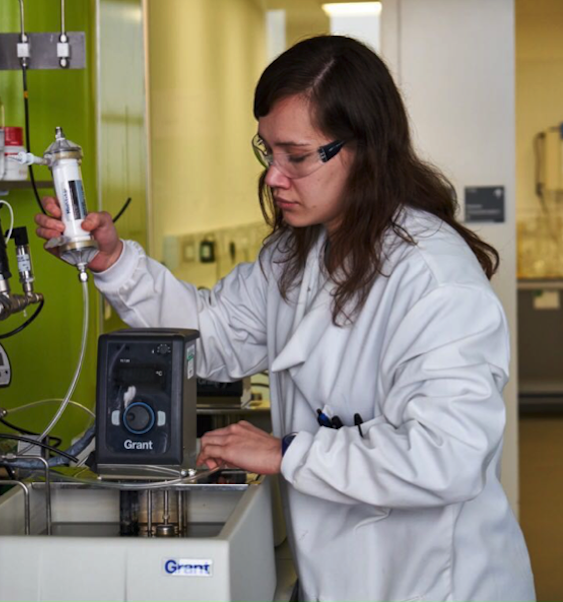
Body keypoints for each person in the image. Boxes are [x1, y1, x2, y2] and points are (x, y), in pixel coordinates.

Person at [36, 35, 535, 602]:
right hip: (337, 576)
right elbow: (213, 337)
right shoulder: (299, 253)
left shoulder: (434, 280)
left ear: (365, 149)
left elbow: (447, 456)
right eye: (267, 152)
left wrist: (286, 451)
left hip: (436, 586)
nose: (275, 177)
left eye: (296, 156)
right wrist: (115, 262)